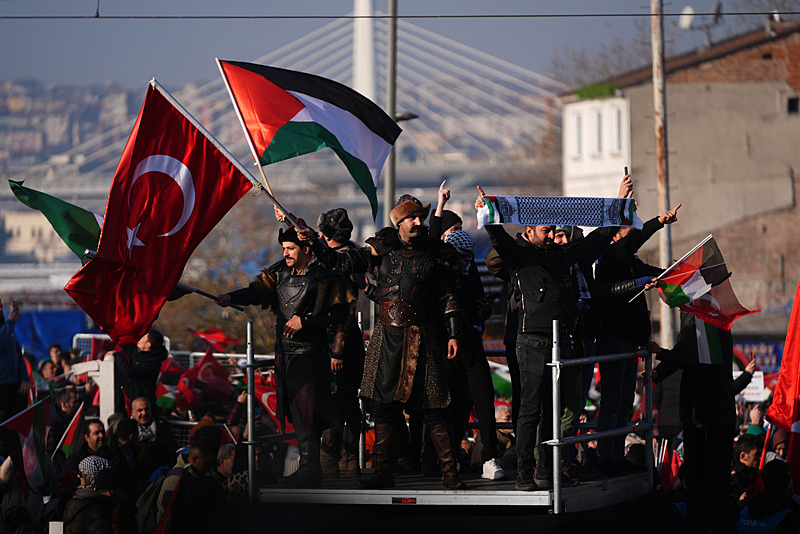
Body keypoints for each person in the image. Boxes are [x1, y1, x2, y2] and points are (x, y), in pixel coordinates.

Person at [308, 194, 467, 490]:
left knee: (435, 407)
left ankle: (450, 473)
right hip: (387, 337)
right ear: (400, 222)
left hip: (426, 336)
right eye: (412, 218)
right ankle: (383, 473)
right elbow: (339, 262)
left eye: (421, 217)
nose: (418, 222)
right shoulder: (380, 249)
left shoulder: (435, 255)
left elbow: (448, 298)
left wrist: (454, 332)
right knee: (382, 406)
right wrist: (314, 241)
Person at [475, 184, 628, 491]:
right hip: (531, 342)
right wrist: (486, 210)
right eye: (544, 230)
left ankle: (545, 469)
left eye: (552, 231)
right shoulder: (519, 257)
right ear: (529, 230)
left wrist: (619, 204)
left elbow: (597, 239)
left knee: (552, 410)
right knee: (531, 408)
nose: (550, 235)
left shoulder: (563, 256)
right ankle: (524, 472)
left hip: (563, 342)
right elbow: (497, 236)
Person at [218, 225, 352, 488]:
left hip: (310, 355)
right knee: (293, 411)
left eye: (291, 248)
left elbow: (339, 315)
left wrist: (306, 322)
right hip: (284, 354)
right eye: (284, 249)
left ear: (305, 249)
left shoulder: (325, 278)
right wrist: (230, 296)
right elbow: (255, 293)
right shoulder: (278, 273)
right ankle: (307, 467)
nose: (286, 253)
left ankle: (309, 468)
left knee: (308, 413)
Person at [593, 200, 680, 475]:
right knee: (612, 400)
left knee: (623, 402)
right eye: (631, 231)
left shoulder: (633, 263)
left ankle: (616, 455)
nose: (635, 236)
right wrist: (658, 222)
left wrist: (686, 268)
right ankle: (606, 457)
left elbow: (662, 274)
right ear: (617, 234)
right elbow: (632, 243)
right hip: (613, 339)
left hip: (632, 343)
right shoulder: (610, 259)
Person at [650, 310, 754, 534]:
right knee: (700, 485)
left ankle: (714, 525)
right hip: (698, 418)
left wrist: (662, 353)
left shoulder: (717, 332)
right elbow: (683, 353)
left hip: (712, 418)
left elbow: (692, 359)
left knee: (713, 484)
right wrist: (657, 372)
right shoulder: (699, 335)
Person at [112, 330, 168, 414]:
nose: (140, 337)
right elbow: (124, 343)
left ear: (148, 345)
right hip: (131, 401)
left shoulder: (152, 362)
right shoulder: (139, 354)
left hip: (143, 404)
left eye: (144, 336)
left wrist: (116, 355)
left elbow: (129, 371)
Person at [130, 397, 177, 488]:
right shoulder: (129, 429)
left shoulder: (163, 427)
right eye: (140, 410)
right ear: (133, 412)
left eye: (146, 409)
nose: (144, 413)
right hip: (138, 478)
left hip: (159, 477)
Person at [63, 456, 115, 534]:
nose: (78, 476)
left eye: (80, 473)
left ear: (91, 475)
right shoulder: (97, 505)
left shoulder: (77, 499)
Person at [0, 298, 29, 418]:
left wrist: (24, 378)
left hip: (15, 386)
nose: (0, 310)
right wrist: (10, 323)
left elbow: (18, 354)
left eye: (1, 306)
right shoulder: (7, 327)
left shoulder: (7, 328)